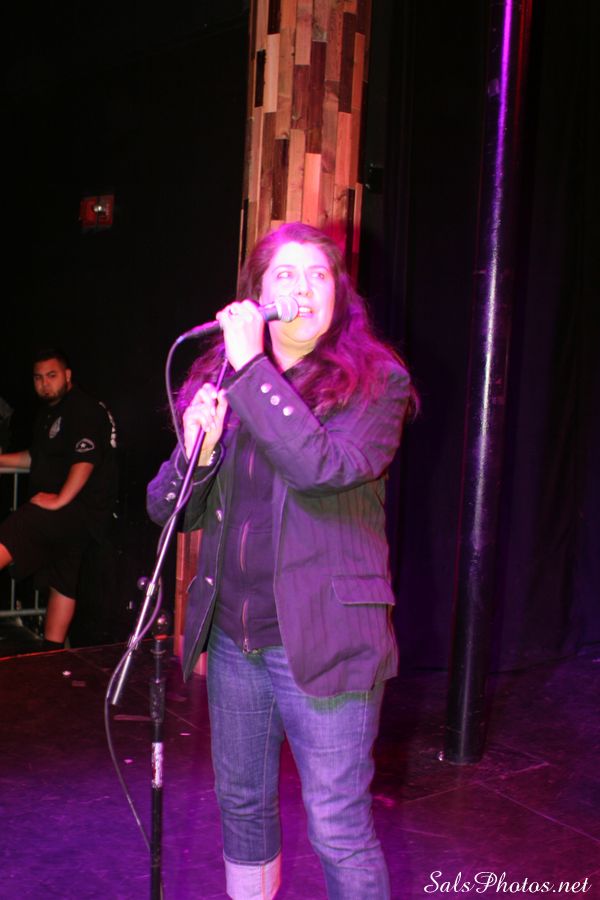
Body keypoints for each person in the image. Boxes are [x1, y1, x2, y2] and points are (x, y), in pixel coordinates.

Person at [147, 222, 417, 899]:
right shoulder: (221, 377)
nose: (303, 288)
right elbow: (166, 509)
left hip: (328, 639)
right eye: (285, 275)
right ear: (256, 294)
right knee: (242, 806)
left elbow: (323, 468)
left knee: (336, 826)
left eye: (319, 275)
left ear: (339, 293)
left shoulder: (375, 383)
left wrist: (253, 373)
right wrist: (198, 451)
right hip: (236, 641)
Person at [0, 349, 117, 649]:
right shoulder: (50, 413)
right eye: (38, 378)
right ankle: (52, 656)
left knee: (20, 526)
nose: (44, 384)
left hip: (78, 510)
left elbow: (85, 458)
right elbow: (34, 458)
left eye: (51, 376)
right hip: (74, 517)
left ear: (67, 375)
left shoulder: (83, 409)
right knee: (63, 581)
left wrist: (60, 500)